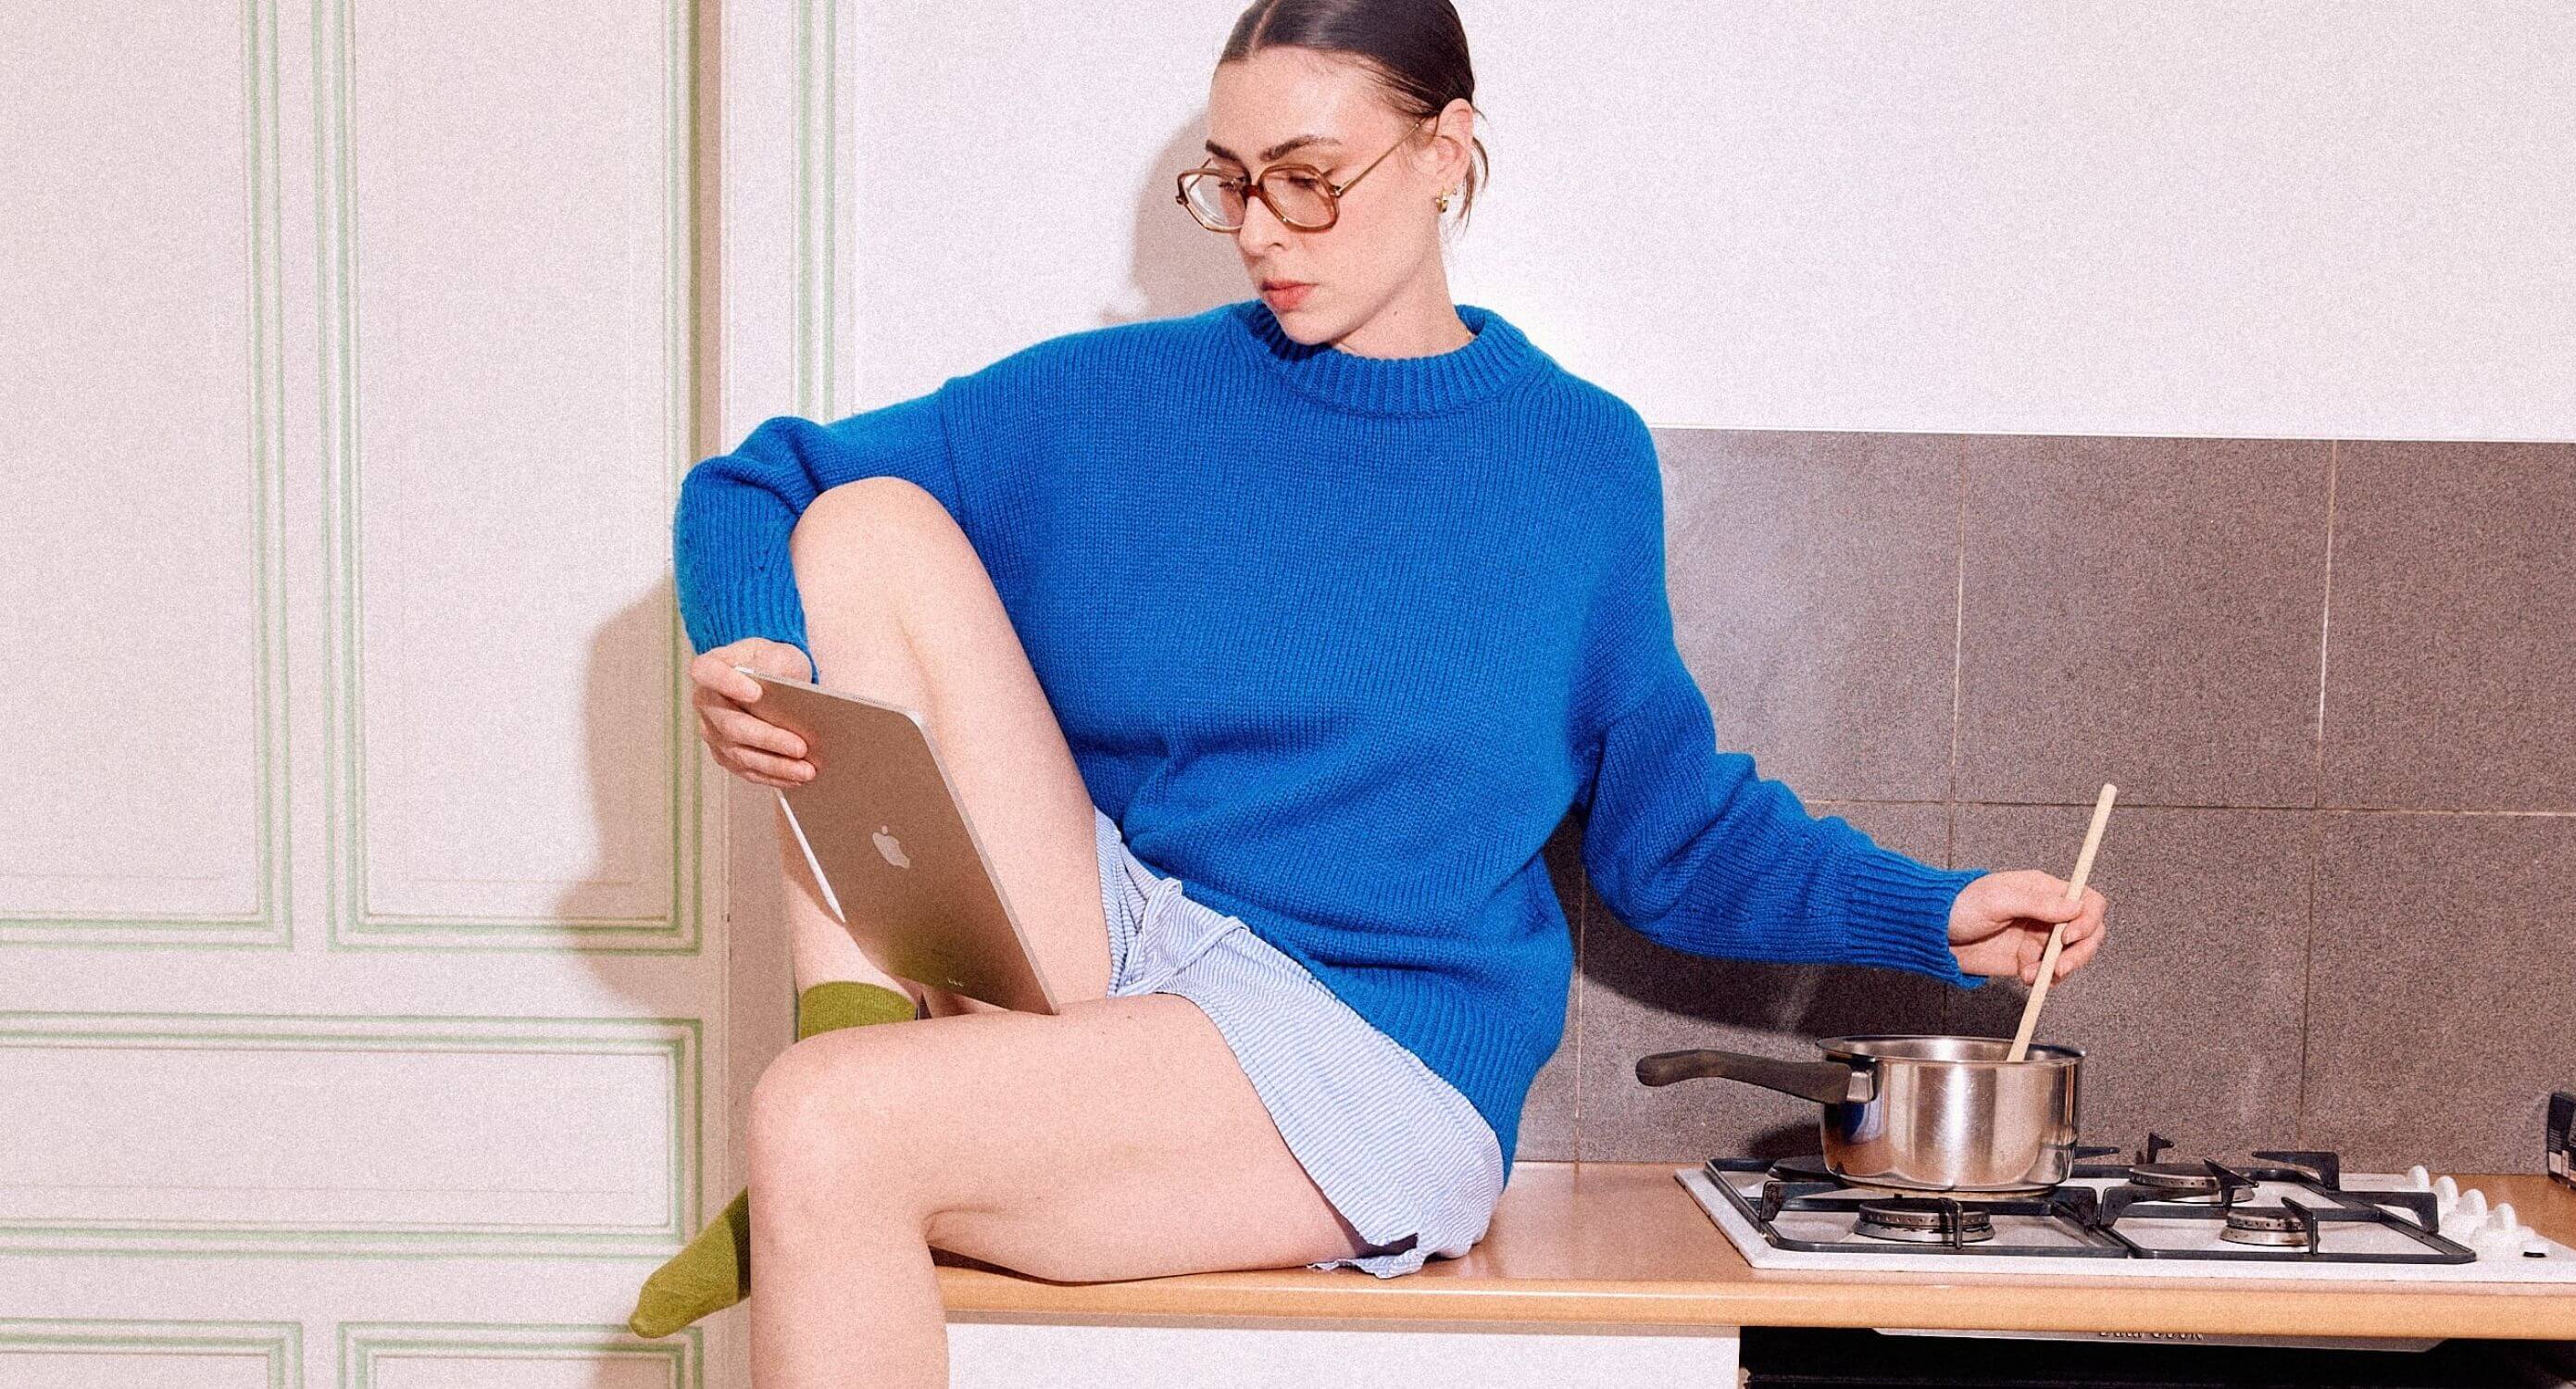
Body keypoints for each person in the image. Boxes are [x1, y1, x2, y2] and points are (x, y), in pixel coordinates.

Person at [640, 1, 2111, 1383]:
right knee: (859, 528)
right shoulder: (1117, 401)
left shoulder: (1574, 464)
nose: (1263, 233)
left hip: (1369, 1051)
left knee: (816, 1127)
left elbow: (1673, 837)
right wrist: (754, 649)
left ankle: (837, 1149)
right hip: (1130, 945)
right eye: (1230, 185)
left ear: (1445, 156)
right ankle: (857, 1070)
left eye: (1310, 180)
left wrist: (1933, 912)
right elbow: (748, 480)